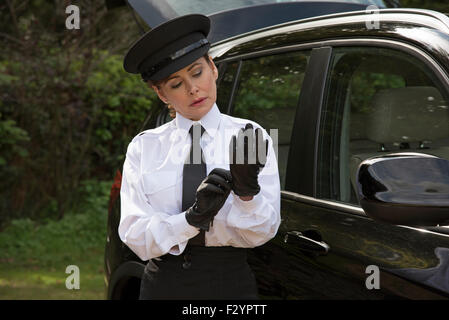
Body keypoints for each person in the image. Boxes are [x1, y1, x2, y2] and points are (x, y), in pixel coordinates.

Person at [119, 14, 281, 300]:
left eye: (196, 73)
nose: (193, 89)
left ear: (213, 69)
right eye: (176, 84)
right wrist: (191, 219)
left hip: (230, 283)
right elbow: (136, 236)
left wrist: (247, 195)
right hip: (164, 285)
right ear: (161, 93)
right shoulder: (144, 148)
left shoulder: (250, 136)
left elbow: (265, 232)